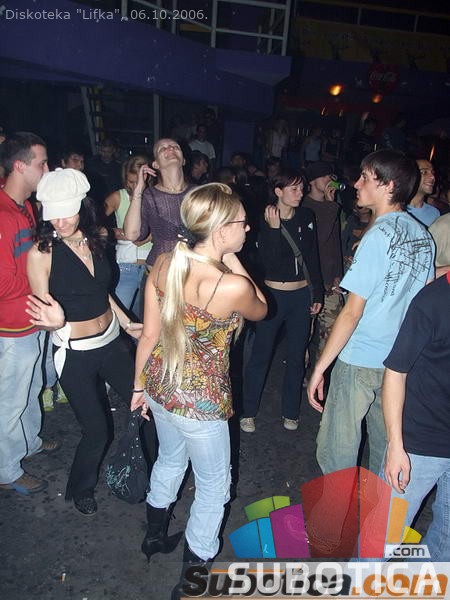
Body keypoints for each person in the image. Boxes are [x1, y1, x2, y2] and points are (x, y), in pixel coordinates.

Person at [130, 183, 267, 592]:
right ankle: (191, 583)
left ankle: (154, 538)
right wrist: (232, 257)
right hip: (201, 404)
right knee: (213, 488)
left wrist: (138, 388)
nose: (248, 228)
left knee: (170, 459)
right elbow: (262, 308)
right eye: (242, 223)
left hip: (159, 385)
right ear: (221, 230)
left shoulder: (164, 262)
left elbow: (149, 334)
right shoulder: (232, 285)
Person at [308, 150, 435, 475]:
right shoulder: (423, 237)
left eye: (365, 177)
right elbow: (422, 298)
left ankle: (335, 510)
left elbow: (352, 313)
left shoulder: (377, 237)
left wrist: (321, 367)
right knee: (385, 450)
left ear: (389, 186)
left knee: (337, 452)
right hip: (399, 361)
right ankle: (379, 509)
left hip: (360, 359)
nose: (356, 184)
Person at [26, 168, 142, 515]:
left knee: (142, 406)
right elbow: (41, 309)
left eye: (66, 212)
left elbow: (102, 291)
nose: (59, 222)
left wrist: (127, 322)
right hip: (75, 353)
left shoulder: (97, 239)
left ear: (82, 206)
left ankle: (143, 471)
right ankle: (81, 487)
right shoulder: (42, 252)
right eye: (53, 214)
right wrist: (54, 322)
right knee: (97, 430)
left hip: (112, 342)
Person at [240, 169, 323, 433]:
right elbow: (270, 265)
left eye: (301, 188)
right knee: (261, 354)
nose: (300, 193)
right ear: (278, 191)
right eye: (294, 189)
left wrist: (317, 293)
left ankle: (291, 411)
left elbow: (312, 256)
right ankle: (248, 412)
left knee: (297, 356)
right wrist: (274, 230)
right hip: (274, 296)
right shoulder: (262, 219)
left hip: (301, 296)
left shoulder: (306, 216)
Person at [0, 131, 58, 496]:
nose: (47, 170)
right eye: (42, 163)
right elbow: (3, 283)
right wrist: (42, 279)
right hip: (11, 326)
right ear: (20, 166)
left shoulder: (27, 207)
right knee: (9, 400)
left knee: (33, 387)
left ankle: (28, 442)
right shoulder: (3, 215)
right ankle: (6, 470)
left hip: (32, 318)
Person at [382, 271, 450, 561]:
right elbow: (395, 372)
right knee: (382, 539)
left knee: (446, 541)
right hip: (419, 443)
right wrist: (396, 446)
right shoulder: (432, 301)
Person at [123, 138, 193, 270]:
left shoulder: (199, 193)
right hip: (160, 272)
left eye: (175, 147)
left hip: (193, 270)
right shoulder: (149, 196)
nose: (170, 149)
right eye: (163, 148)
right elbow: (132, 234)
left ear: (183, 160)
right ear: (155, 164)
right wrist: (138, 191)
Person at [105, 155, 153, 316]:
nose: (134, 186)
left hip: (151, 267)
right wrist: (114, 232)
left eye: (137, 182)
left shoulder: (156, 196)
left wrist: (151, 235)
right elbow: (93, 222)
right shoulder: (118, 197)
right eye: (130, 181)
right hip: (126, 266)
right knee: (119, 316)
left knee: (145, 319)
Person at [406, 159, 440, 227]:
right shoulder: (397, 209)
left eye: (433, 172)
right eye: (424, 172)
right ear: (411, 176)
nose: (432, 177)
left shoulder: (434, 213)